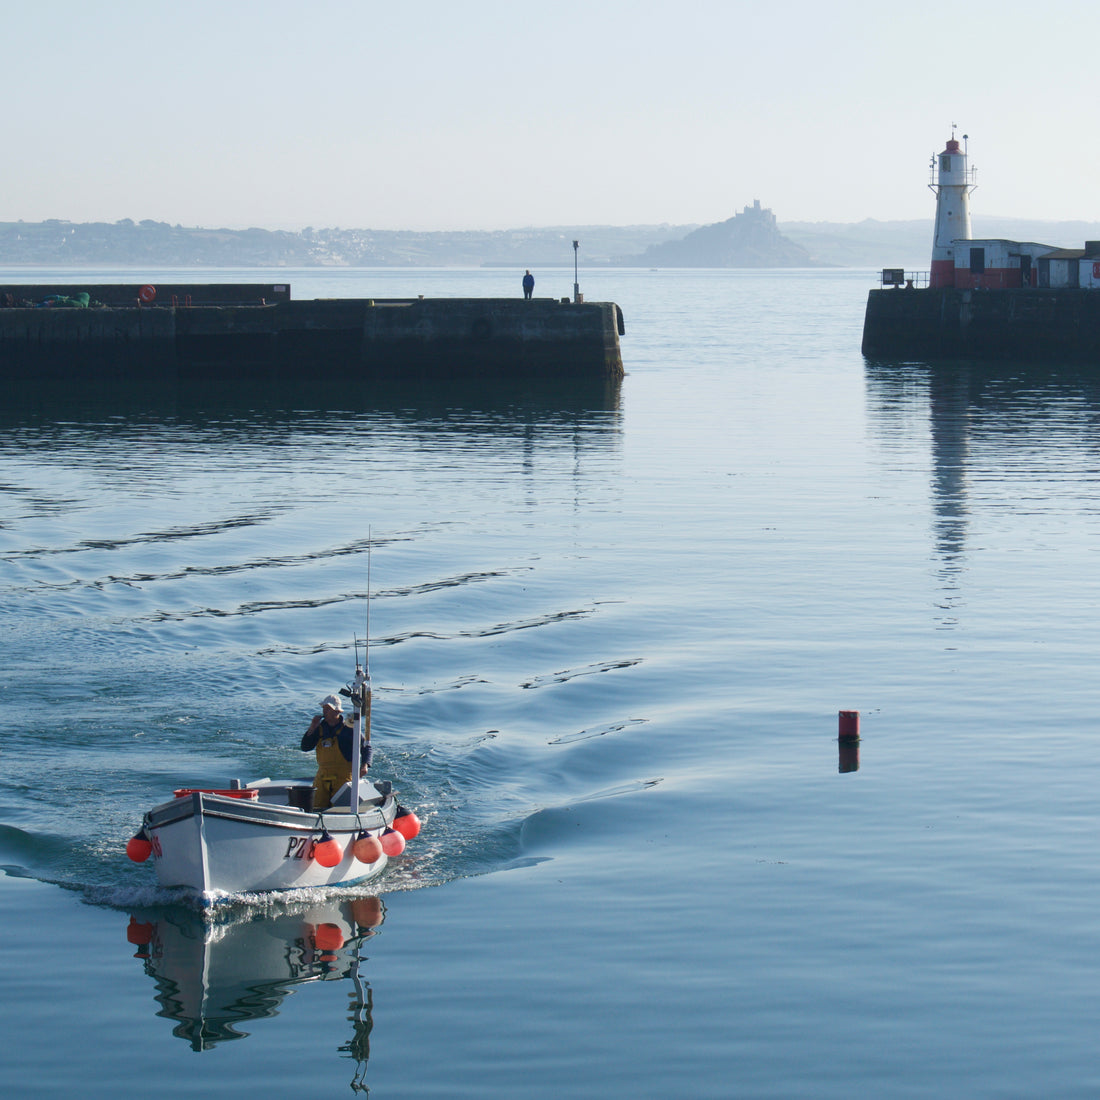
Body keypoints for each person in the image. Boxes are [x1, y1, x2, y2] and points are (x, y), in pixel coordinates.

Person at [300, 693, 370, 810]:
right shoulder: (319, 729)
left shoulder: (349, 729)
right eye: (324, 709)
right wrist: (312, 727)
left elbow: (366, 747)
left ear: (337, 712)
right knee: (316, 808)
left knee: (341, 809)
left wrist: (365, 765)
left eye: (328, 709)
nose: (325, 712)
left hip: (344, 778)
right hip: (322, 777)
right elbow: (305, 747)